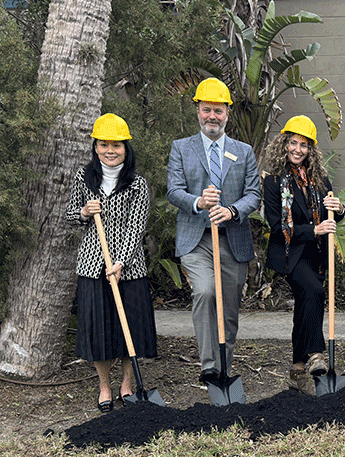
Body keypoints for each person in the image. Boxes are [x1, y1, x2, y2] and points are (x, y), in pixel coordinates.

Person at [166, 78, 261, 384]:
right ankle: (208, 366)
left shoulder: (243, 151)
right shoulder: (181, 148)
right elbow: (174, 191)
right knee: (206, 291)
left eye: (218, 111)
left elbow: (254, 195)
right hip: (197, 240)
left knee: (230, 308)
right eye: (207, 110)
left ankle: (224, 371)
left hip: (233, 240)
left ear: (227, 113)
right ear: (198, 111)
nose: (212, 116)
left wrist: (232, 210)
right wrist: (198, 202)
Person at [65, 114, 158, 412]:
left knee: (129, 329)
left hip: (129, 268)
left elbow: (136, 227)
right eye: (104, 144)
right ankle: (104, 386)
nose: (110, 150)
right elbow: (69, 217)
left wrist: (120, 262)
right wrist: (83, 212)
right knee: (99, 331)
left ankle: (127, 385)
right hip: (93, 265)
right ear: (95, 147)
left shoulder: (138, 184)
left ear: (125, 148)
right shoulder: (84, 178)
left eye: (116, 145)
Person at [262, 115, 344, 391]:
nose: (298, 149)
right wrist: (314, 229)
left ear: (311, 149)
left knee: (304, 305)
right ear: (284, 144)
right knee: (314, 291)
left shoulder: (319, 179)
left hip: (313, 254)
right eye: (293, 143)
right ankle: (315, 353)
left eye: (304, 145)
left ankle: (297, 370)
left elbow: (331, 214)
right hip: (288, 254)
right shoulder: (273, 182)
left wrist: (339, 209)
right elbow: (277, 225)